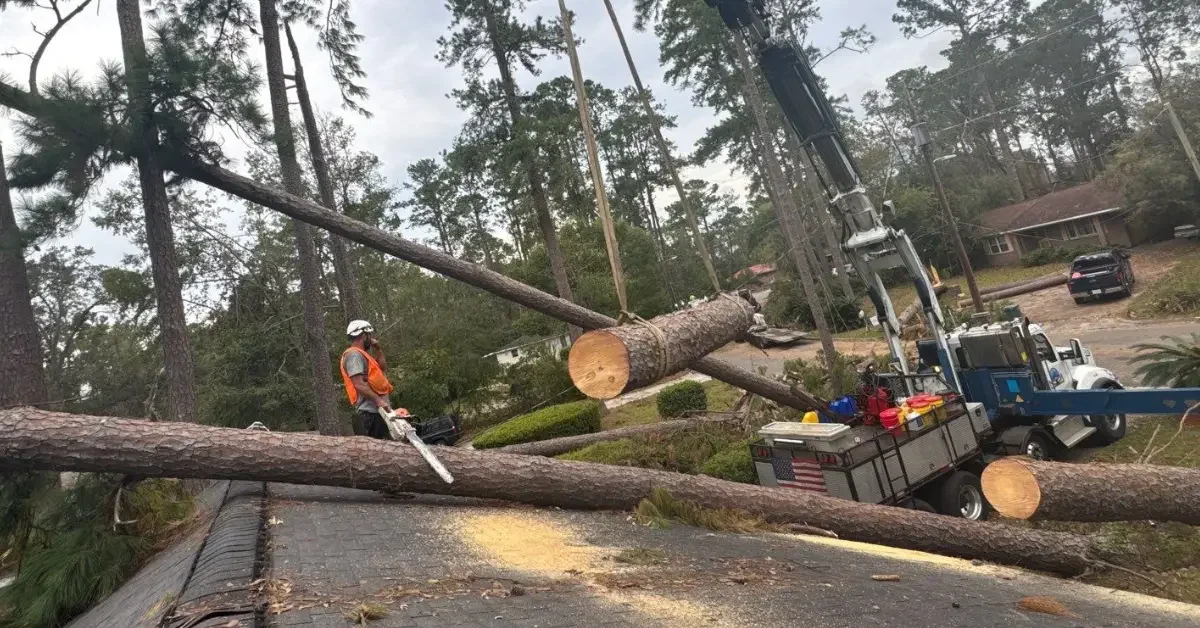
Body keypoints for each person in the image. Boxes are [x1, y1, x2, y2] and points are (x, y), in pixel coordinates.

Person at [339, 320, 408, 439]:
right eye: (369, 335)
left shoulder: (363, 355)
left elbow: (382, 367)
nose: (371, 338)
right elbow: (359, 384)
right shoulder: (354, 355)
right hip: (370, 413)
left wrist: (378, 349)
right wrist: (379, 401)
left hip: (378, 412)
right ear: (364, 335)